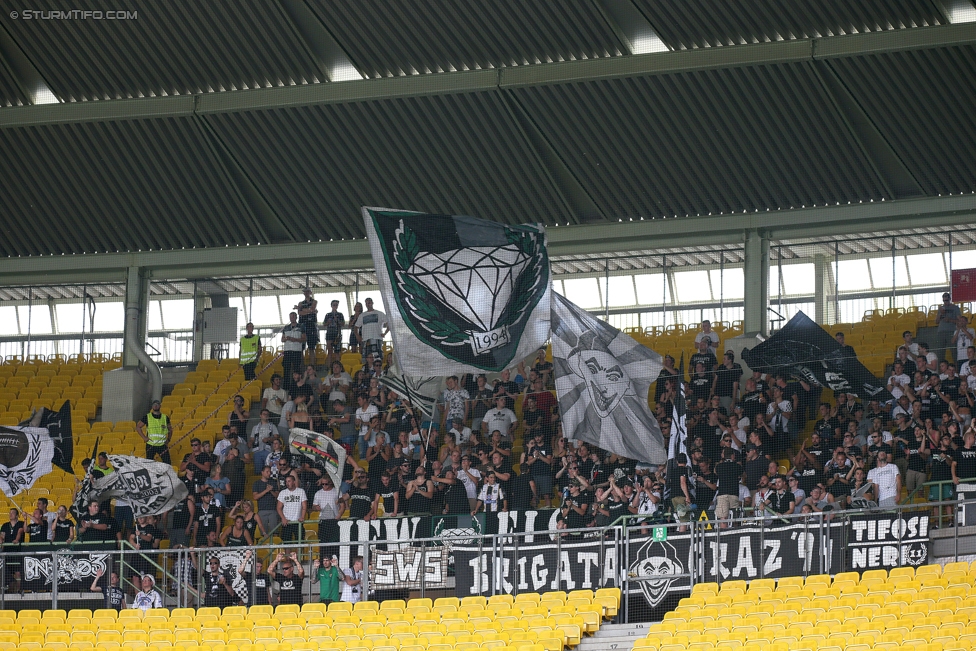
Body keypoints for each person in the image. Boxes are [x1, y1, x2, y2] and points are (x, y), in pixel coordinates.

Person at [276, 473, 308, 542]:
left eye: (289, 481)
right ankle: (288, 553)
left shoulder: (301, 491)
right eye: (286, 481)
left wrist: (302, 517)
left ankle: (298, 553)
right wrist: (283, 518)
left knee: (300, 541)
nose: (287, 483)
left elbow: (304, 505)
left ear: (294, 482)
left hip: (298, 521)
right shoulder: (283, 492)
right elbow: (279, 508)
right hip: (287, 522)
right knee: (286, 542)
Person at [358, 297, 388, 364]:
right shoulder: (362, 315)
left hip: (376, 338)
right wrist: (358, 336)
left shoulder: (380, 313)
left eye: (369, 303)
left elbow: (389, 324)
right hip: (366, 339)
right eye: (366, 303)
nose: (368, 304)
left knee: (377, 357)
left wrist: (385, 333)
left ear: (372, 303)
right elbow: (356, 327)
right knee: (366, 357)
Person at [281, 312, 306, 389]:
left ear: (296, 317)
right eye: (290, 316)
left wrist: (294, 339)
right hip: (287, 350)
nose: (292, 318)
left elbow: (304, 338)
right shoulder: (286, 327)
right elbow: (282, 339)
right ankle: (286, 386)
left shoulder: (301, 326)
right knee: (286, 369)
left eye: (293, 316)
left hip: (296, 351)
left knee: (296, 369)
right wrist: (286, 339)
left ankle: (296, 385)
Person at [936, 292, 963, 362]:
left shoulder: (955, 308)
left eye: (947, 300)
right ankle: (941, 371)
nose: (945, 302)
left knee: (954, 351)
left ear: (950, 299)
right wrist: (940, 314)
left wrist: (950, 320)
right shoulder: (941, 308)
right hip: (941, 332)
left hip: (951, 331)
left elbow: (960, 320)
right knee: (940, 352)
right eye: (944, 301)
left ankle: (957, 369)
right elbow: (936, 321)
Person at [296, 288, 320, 366]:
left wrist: (302, 309)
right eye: (305, 292)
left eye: (307, 292)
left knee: (311, 348)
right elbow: (300, 313)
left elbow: (312, 309)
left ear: (310, 292)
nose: (306, 293)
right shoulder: (300, 302)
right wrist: (309, 311)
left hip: (311, 326)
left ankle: (312, 366)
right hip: (302, 325)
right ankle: (302, 366)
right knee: (301, 347)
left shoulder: (314, 301)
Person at [322, 300, 346, 366]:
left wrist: (337, 321)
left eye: (336, 305)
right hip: (329, 334)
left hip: (337, 334)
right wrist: (328, 322)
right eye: (334, 305)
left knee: (337, 352)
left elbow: (343, 324)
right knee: (329, 352)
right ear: (331, 306)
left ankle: (337, 366)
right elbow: (324, 324)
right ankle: (329, 367)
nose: (335, 306)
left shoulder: (340, 314)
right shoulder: (328, 314)